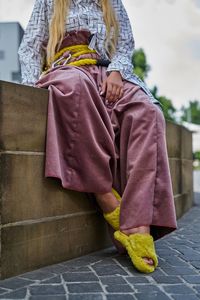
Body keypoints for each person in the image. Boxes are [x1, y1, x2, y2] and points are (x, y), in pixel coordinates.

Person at [18, 0, 177, 273]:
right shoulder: (48, 1)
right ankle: (107, 198)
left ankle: (137, 225)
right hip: (68, 70)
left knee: (148, 112)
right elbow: (31, 46)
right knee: (75, 88)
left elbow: (125, 44)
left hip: (109, 74)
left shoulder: (112, 2)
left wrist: (116, 70)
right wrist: (29, 92)